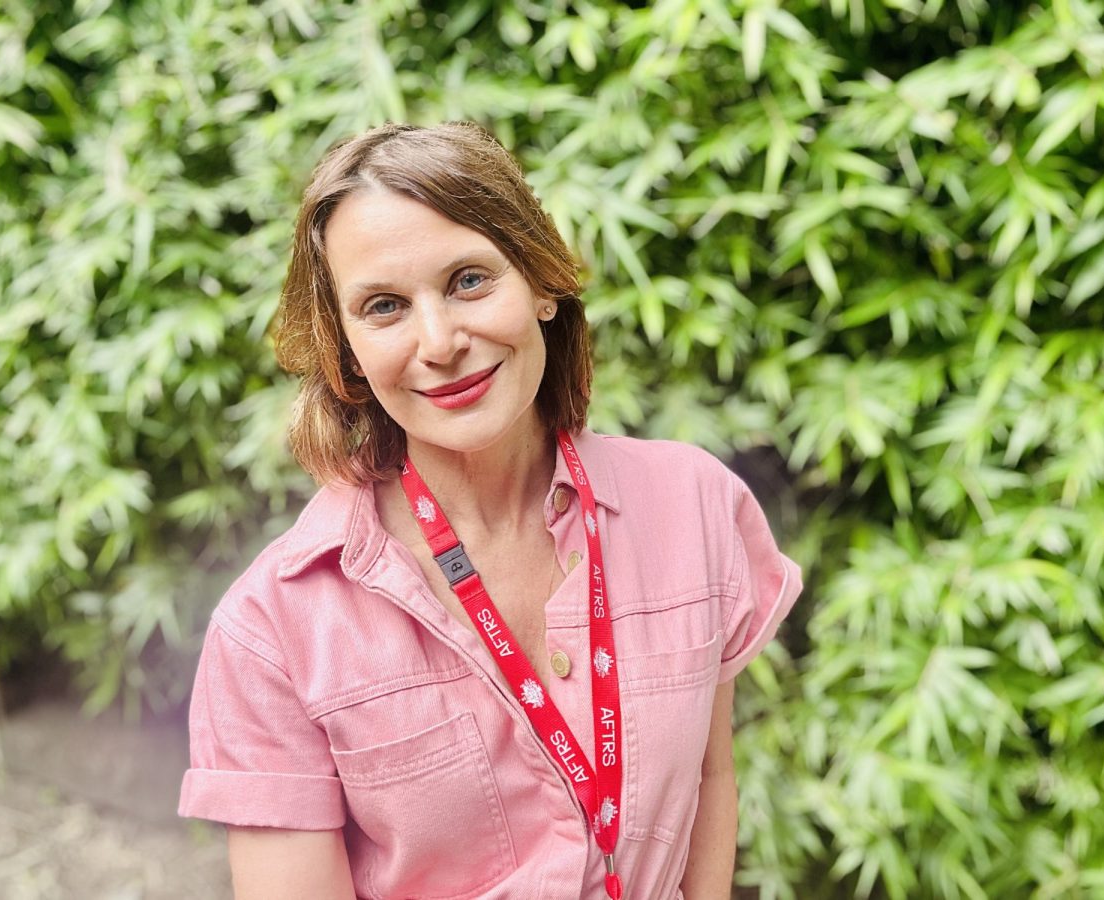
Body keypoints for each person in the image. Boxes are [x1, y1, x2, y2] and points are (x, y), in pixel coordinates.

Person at [178, 122, 802, 900]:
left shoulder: (694, 506)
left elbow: (710, 779)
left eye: (470, 280)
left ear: (541, 283)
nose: (439, 342)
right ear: (345, 350)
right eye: (383, 306)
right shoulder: (273, 630)